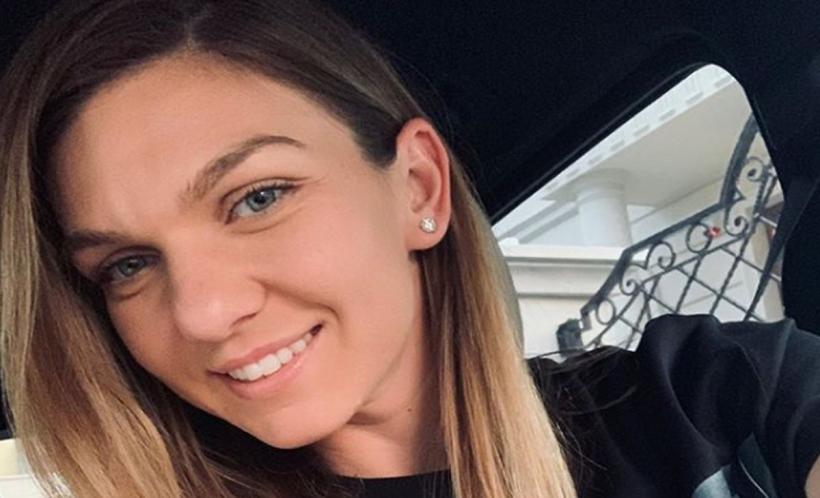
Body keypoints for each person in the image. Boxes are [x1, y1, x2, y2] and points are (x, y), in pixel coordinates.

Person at [0, 1, 817, 498]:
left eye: (257, 198)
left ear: (420, 188)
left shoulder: (704, 401)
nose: (203, 312)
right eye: (128, 265)